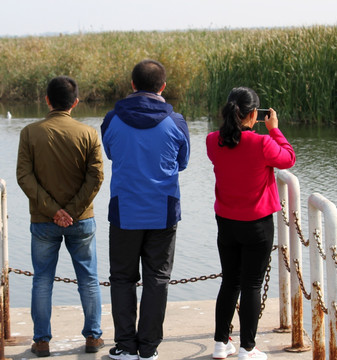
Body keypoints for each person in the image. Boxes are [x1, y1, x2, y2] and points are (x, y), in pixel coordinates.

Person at [101, 59, 190, 360]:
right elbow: (183, 163)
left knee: (122, 278)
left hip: (125, 210)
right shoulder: (176, 122)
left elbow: (112, 153)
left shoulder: (112, 120)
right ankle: (148, 349)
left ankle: (125, 346)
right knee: (157, 278)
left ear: (132, 84)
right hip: (162, 210)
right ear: (162, 87)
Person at [16, 76, 105, 357]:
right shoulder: (89, 133)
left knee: (42, 280)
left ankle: (41, 341)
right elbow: (97, 176)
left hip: (43, 221)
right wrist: (72, 212)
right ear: (75, 103)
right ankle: (93, 337)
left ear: (47, 100)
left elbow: (24, 177)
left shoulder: (30, 133)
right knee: (88, 279)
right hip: (81, 221)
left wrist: (54, 211)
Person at [206, 87, 296, 360]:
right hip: (257, 223)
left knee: (230, 282)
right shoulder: (262, 144)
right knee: (252, 284)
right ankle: (247, 348)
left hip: (226, 222)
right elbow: (288, 158)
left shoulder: (212, 140)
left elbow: (227, 151)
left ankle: (221, 344)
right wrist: (274, 129)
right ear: (255, 114)